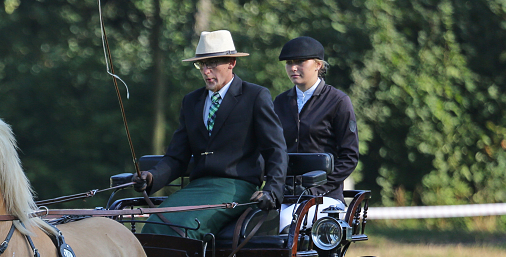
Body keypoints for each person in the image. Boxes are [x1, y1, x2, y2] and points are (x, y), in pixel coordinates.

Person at [133, 30, 287, 240]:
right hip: (198, 186)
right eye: (202, 65)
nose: (206, 71)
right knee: (154, 225)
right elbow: (177, 157)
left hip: (237, 186)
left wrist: (272, 190)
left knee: (186, 228)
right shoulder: (191, 101)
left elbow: (275, 149)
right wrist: (151, 177)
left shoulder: (255, 96)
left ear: (231, 62)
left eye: (212, 64)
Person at [273, 36, 359, 231]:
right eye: (289, 63)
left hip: (325, 197)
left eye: (300, 62)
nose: (293, 68)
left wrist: (316, 189)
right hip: (284, 195)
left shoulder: (338, 101)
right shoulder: (280, 102)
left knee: (284, 223)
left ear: (318, 65)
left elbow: (350, 156)